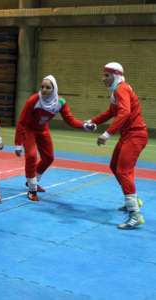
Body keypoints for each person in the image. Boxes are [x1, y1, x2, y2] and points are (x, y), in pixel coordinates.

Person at [87, 62, 147, 229]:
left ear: (116, 75)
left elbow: (125, 112)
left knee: (123, 171)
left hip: (135, 135)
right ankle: (133, 200)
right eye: (103, 75)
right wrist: (93, 122)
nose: (103, 78)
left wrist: (107, 134)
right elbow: (111, 112)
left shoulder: (121, 89)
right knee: (115, 166)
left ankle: (135, 215)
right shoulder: (117, 90)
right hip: (129, 135)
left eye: (107, 75)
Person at [14, 75, 93, 201]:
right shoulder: (34, 100)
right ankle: (32, 189)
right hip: (29, 130)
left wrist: (84, 125)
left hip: (43, 130)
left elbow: (71, 121)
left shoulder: (60, 103)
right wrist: (18, 143)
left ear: (54, 89)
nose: (44, 89)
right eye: (42, 87)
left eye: (48, 87)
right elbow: (21, 122)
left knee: (49, 158)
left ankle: (34, 180)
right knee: (31, 156)